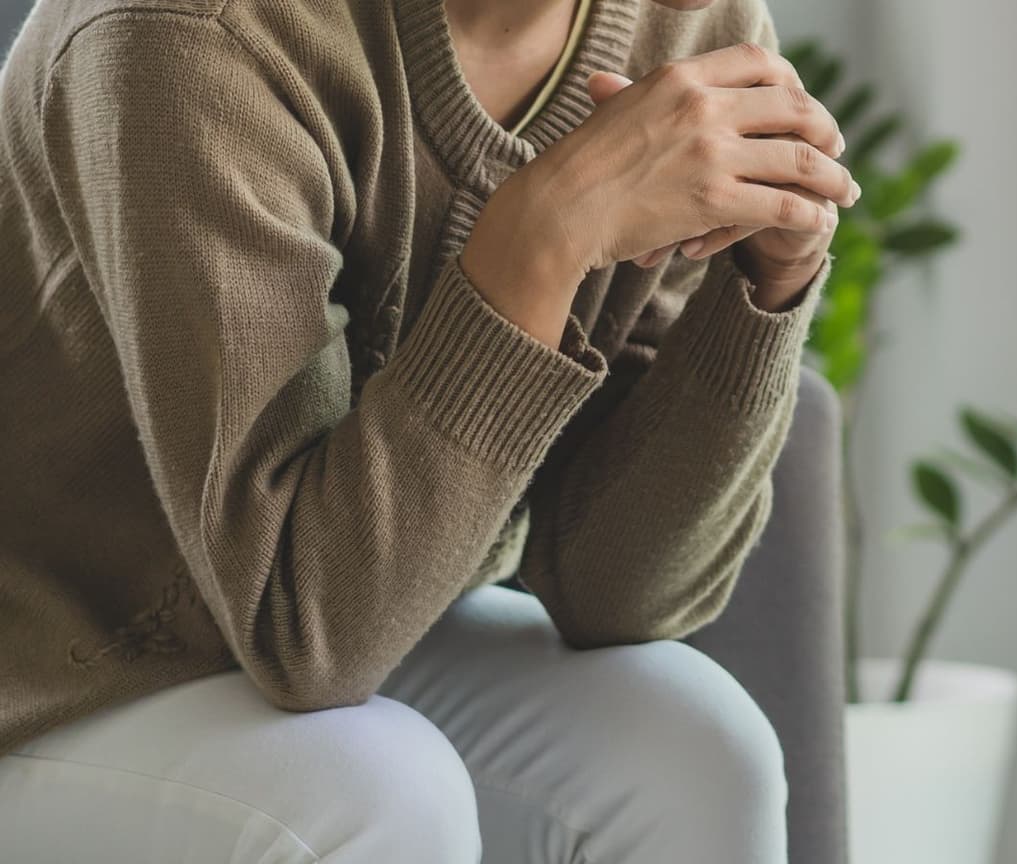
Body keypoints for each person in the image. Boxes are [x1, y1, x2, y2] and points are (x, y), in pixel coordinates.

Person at [0, 0, 853, 860]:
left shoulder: (695, 31)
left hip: (354, 620)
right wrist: (544, 236)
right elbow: (305, 632)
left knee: (697, 753)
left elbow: (618, 595)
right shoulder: (189, 29)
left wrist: (766, 286)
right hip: (47, 664)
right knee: (375, 790)